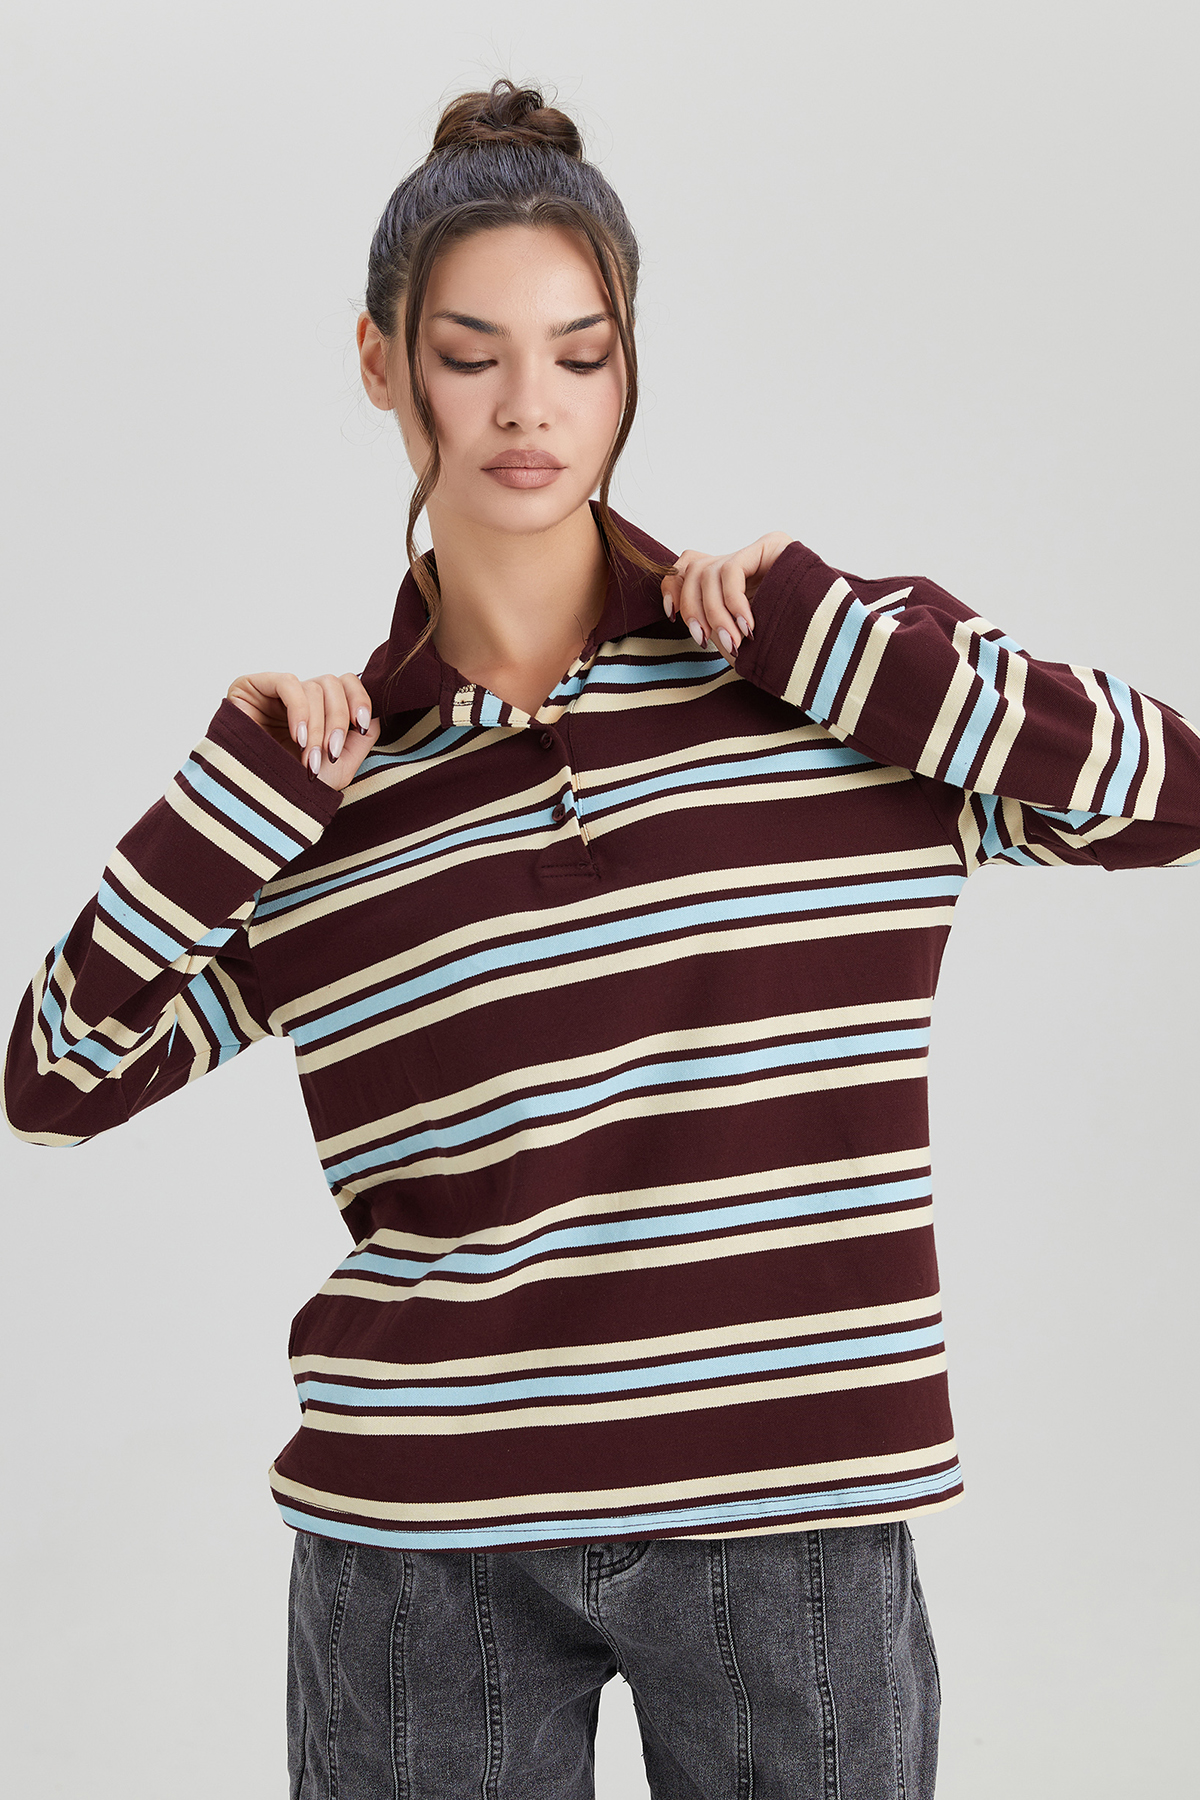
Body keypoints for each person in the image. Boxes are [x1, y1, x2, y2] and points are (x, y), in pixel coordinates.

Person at [5, 75, 1199, 1800]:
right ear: (382, 364)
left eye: (580, 354)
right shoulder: (322, 792)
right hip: (421, 1542)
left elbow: (1166, 791)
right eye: (470, 353)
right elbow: (55, 1081)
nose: (528, 406)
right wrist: (235, 787)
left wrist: (834, 639)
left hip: (790, 1517)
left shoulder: (829, 682)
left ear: (630, 364)